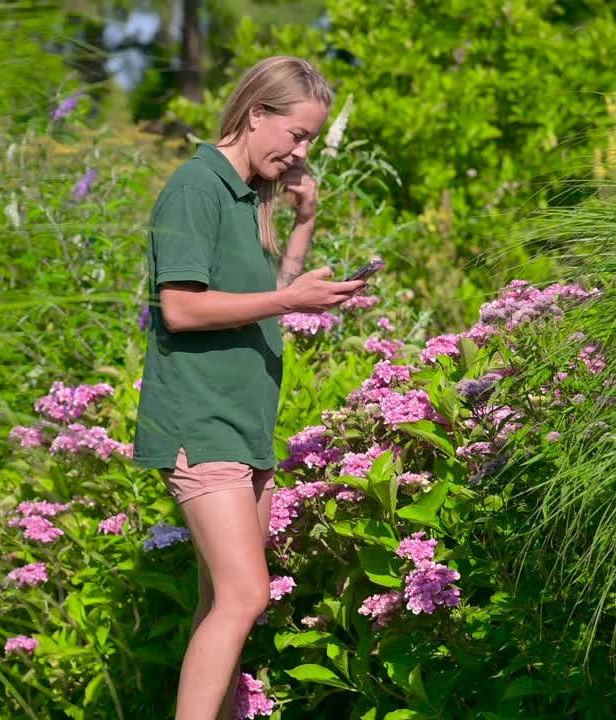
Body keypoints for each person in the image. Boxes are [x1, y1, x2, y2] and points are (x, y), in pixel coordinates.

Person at [131, 56, 365, 720]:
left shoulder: (242, 197)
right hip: (200, 423)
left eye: (310, 142)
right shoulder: (195, 188)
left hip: (242, 427)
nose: (300, 153)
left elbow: (265, 300)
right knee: (242, 597)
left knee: (221, 602)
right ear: (256, 113)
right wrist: (290, 295)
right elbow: (179, 307)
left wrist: (304, 224)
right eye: (296, 135)